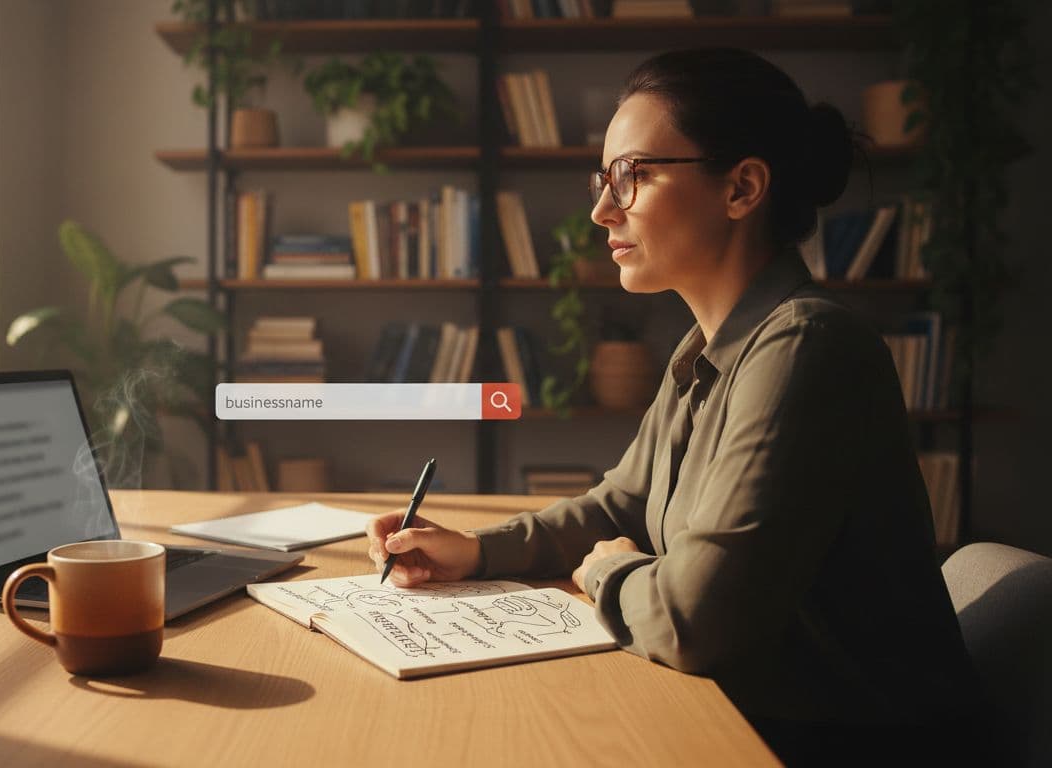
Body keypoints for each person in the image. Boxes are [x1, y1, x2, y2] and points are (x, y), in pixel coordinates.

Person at [365, 48, 985, 764]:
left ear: (742, 187)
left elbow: (695, 619)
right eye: (605, 179)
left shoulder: (809, 347)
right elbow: (618, 507)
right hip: (749, 717)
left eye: (634, 175)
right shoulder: (710, 346)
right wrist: (475, 552)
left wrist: (603, 571)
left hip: (837, 746)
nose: (602, 209)